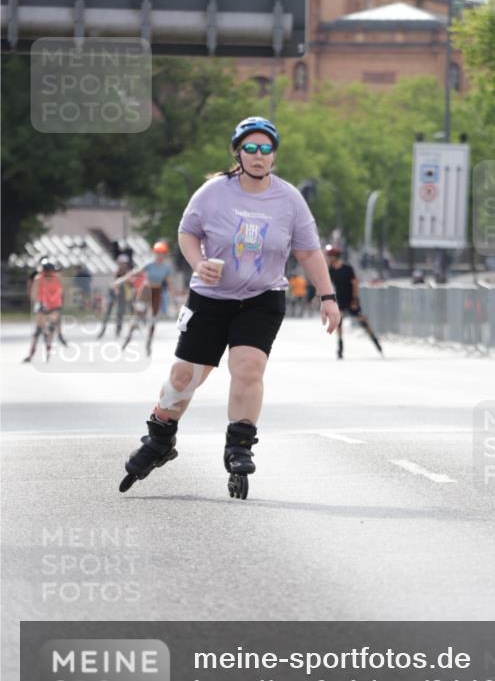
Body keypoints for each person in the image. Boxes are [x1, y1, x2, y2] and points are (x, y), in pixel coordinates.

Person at [118, 116, 341, 498]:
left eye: (265, 148)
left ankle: (239, 445)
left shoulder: (289, 199)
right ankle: (160, 439)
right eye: (250, 148)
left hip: (262, 298)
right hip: (210, 298)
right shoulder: (213, 192)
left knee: (248, 367)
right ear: (238, 153)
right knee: (184, 377)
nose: (258, 155)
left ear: (274, 155)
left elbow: (308, 251)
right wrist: (197, 262)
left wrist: (328, 296)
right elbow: (188, 233)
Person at [324, 244, 383, 359]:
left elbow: (355, 283)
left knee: (362, 320)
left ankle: (375, 340)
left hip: (351, 298)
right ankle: (340, 347)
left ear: (335, 256)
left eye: (330, 256)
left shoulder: (347, 268)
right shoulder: (331, 270)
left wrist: (355, 299)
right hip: (340, 299)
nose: (328, 258)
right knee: (338, 322)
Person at [113, 242, 173, 354]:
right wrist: (120, 281)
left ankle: (149, 343)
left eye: (162, 253)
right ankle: (128, 338)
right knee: (138, 315)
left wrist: (173, 297)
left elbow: (170, 284)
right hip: (145, 290)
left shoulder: (166, 268)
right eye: (157, 253)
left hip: (156, 292)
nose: (159, 256)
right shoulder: (149, 265)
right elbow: (133, 274)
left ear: (165, 255)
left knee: (153, 319)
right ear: (155, 253)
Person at [23, 259, 65, 363]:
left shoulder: (57, 278)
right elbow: (34, 293)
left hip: (53, 306)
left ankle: (47, 352)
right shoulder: (39, 279)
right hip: (44, 305)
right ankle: (32, 353)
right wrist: (39, 303)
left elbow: (61, 291)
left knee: (49, 329)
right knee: (39, 331)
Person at [98, 253, 133, 338]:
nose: (123, 265)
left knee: (120, 312)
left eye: (125, 264)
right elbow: (114, 285)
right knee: (108, 312)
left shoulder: (128, 274)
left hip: (123, 295)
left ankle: (118, 329)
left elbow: (131, 285)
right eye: (122, 263)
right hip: (114, 294)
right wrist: (115, 292)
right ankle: (103, 329)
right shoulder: (117, 273)